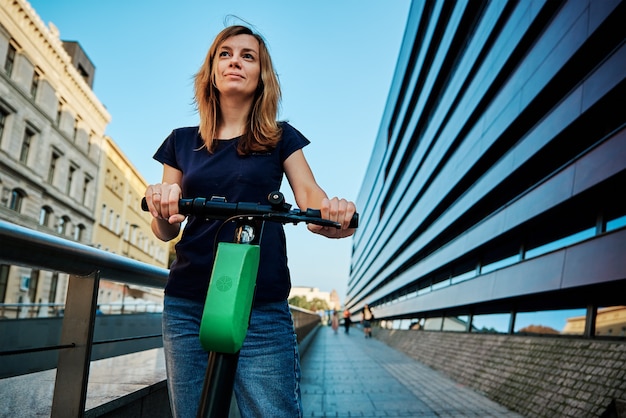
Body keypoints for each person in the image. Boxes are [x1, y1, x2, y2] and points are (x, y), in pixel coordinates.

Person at [143, 25, 357, 418]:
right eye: (224, 54)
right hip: (188, 300)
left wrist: (335, 215)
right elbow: (167, 230)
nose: (235, 62)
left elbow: (312, 201)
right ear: (210, 70)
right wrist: (161, 207)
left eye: (247, 56)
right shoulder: (180, 141)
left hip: (261, 301)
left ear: (262, 74)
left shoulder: (281, 138)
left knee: (273, 412)